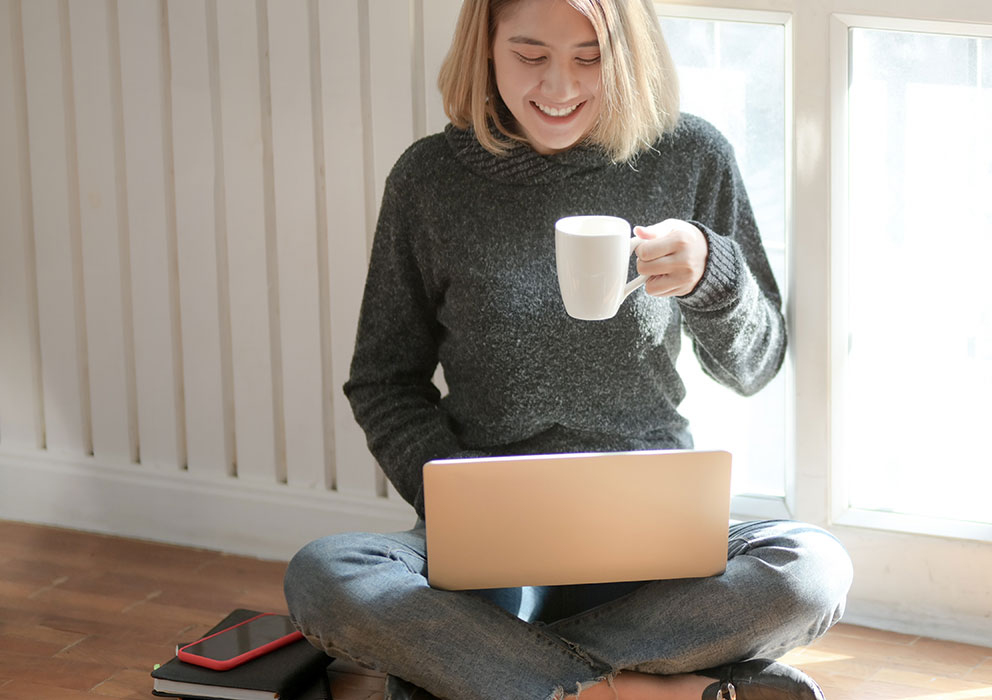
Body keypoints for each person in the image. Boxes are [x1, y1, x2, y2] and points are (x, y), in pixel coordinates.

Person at [280, 0, 853, 698]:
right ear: (485, 48)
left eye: (590, 57)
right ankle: (651, 688)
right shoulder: (429, 180)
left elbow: (755, 365)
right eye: (530, 55)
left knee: (811, 568)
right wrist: (464, 498)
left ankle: (500, 676)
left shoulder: (690, 157)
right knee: (325, 575)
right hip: (491, 549)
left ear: (630, 51)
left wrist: (713, 274)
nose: (558, 88)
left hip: (654, 538)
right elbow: (383, 380)